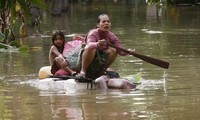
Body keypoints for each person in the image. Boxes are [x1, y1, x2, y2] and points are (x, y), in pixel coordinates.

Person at [77, 14, 133, 79]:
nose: (106, 23)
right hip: (84, 61)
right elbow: (89, 45)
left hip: (98, 61)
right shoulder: (93, 33)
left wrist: (127, 52)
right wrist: (97, 44)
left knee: (114, 50)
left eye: (108, 21)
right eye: (103, 22)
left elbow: (120, 51)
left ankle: (101, 72)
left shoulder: (112, 36)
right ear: (98, 25)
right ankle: (83, 72)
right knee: (92, 48)